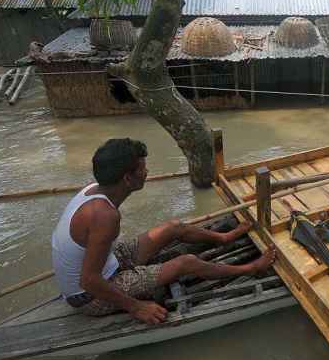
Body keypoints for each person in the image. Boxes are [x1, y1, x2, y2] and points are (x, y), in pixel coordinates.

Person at [52, 138, 277, 325]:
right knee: (187, 262)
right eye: (142, 167)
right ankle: (251, 269)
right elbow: (88, 280)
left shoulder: (94, 190)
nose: (147, 171)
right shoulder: (105, 216)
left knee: (174, 228)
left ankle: (225, 237)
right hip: (90, 296)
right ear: (127, 179)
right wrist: (137, 307)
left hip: (109, 263)